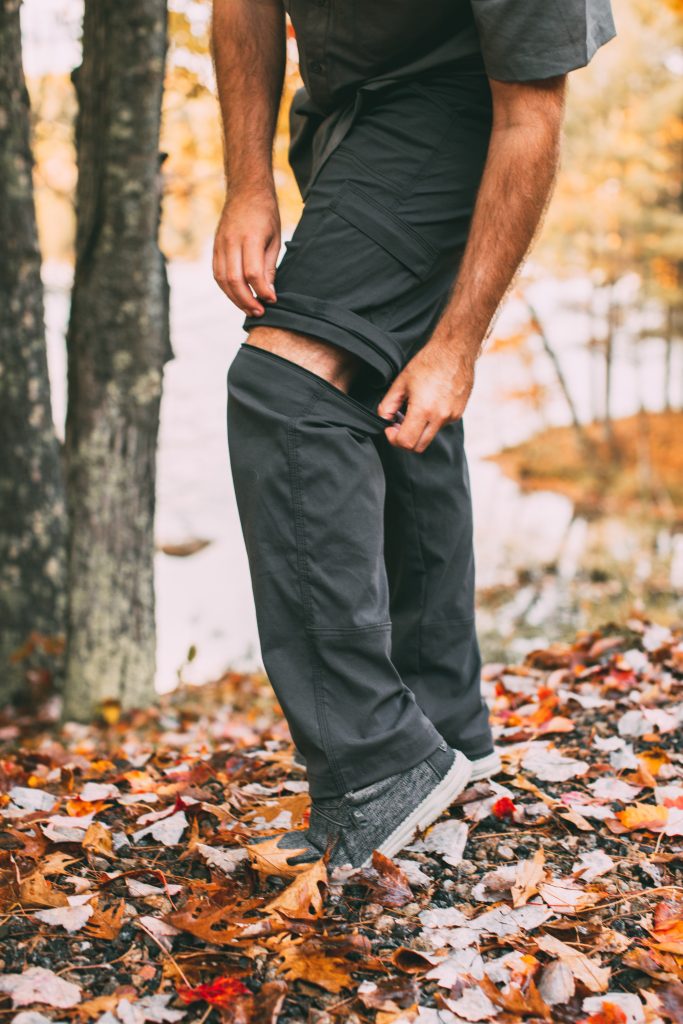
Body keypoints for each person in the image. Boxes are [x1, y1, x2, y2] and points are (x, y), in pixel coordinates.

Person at [212, 0, 616, 869]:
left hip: (456, 107)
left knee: (285, 383)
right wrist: (246, 181)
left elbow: (529, 114)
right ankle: (446, 735)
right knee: (392, 396)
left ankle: (378, 765)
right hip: (340, 118)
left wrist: (459, 343)